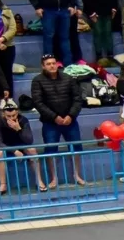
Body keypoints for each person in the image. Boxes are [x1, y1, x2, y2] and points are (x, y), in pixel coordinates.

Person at [31, 54, 86, 187]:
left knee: (76, 148)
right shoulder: (37, 80)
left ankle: (77, 175)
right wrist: (54, 117)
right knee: (51, 149)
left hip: (70, 121)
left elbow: (77, 99)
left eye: (53, 63)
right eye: (48, 64)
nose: (52, 66)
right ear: (43, 66)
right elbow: (38, 103)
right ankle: (53, 178)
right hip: (50, 123)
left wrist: (70, 116)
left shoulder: (68, 78)